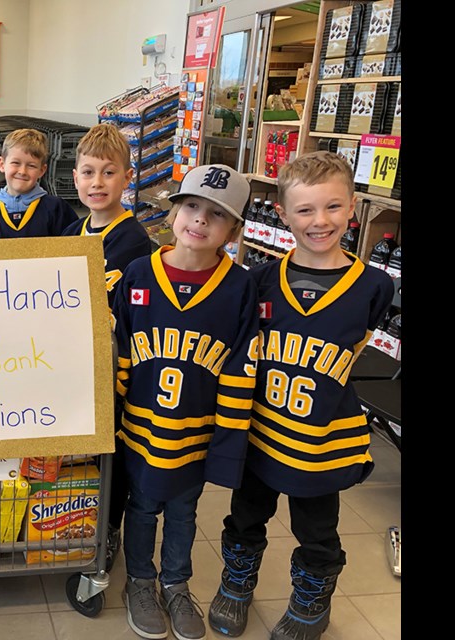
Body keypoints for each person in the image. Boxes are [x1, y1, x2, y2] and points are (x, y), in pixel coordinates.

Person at [207, 151, 394, 640]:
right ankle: (237, 582)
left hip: (321, 439)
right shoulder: (260, 280)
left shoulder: (374, 285)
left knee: (318, 529)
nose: (320, 221)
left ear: (352, 207)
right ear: (283, 214)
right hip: (262, 432)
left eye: (332, 207)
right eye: (305, 210)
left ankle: (312, 600)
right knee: (246, 516)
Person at [112, 163, 260, 640]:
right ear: (172, 212)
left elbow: (241, 372)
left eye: (216, 215)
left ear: (234, 230)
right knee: (141, 507)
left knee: (184, 511)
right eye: (191, 206)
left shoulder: (239, 288)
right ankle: (139, 580)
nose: (199, 220)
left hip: (196, 434)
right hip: (138, 428)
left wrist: (227, 444)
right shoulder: (138, 273)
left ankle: (176, 583)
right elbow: (116, 354)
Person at [62, 122, 153, 574]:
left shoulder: (135, 243)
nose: (97, 183)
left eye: (109, 173)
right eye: (88, 172)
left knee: (111, 451)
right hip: (78, 364)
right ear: (74, 176)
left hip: (114, 370)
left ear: (127, 176)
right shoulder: (75, 231)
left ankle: (109, 530)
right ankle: (81, 521)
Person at [0, 128, 77, 240]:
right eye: (16, 163)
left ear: (42, 170)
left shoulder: (57, 209)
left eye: (31, 166)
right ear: (1, 164)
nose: (22, 171)